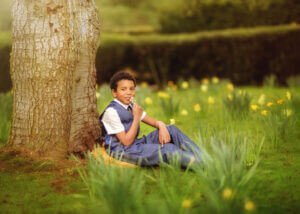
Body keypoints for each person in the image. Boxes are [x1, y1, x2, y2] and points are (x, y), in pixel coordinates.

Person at [99, 71, 202, 168]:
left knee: (171, 129)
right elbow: (126, 142)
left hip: (135, 145)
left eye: (131, 89)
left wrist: (161, 125)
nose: (128, 92)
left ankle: (203, 158)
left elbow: (153, 121)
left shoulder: (131, 106)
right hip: (123, 151)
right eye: (123, 89)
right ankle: (203, 165)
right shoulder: (111, 112)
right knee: (168, 149)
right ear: (114, 92)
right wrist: (136, 118)